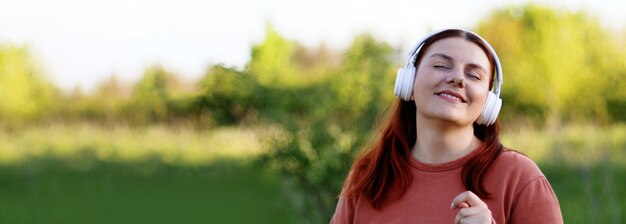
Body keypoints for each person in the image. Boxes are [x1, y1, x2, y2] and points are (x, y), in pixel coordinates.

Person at [330, 28, 563, 224]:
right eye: (441, 66)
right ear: (408, 81)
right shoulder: (369, 175)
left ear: (489, 102)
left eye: (474, 75)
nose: (457, 79)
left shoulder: (520, 178)